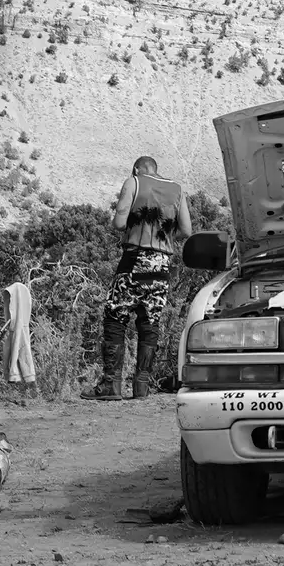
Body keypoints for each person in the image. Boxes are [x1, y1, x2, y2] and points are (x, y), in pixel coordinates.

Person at [96, 155, 186, 400]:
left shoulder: (133, 182)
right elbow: (187, 230)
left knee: (115, 316)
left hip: (135, 259)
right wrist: (162, 239)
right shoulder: (177, 189)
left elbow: (119, 222)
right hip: (162, 265)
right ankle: (142, 387)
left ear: (137, 168)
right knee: (150, 322)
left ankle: (111, 385)